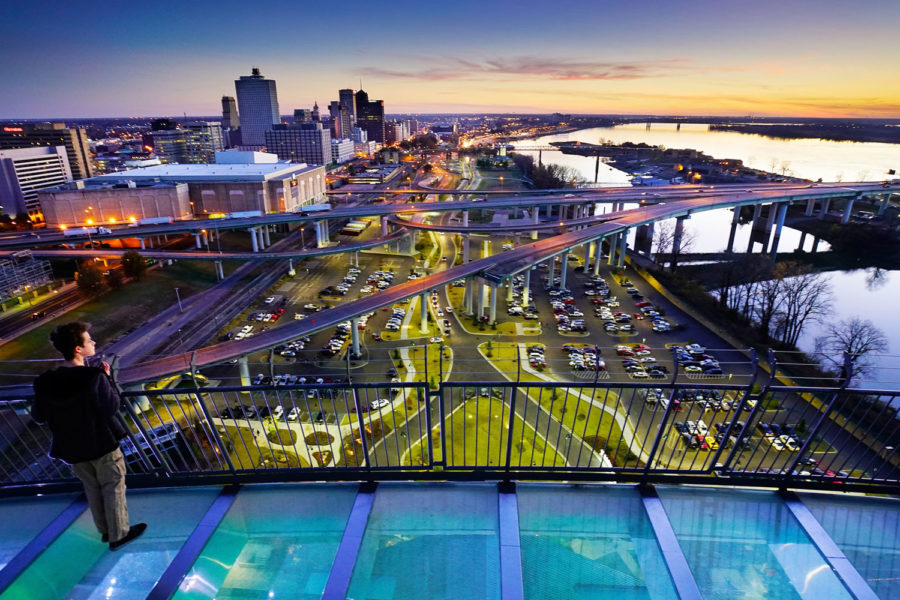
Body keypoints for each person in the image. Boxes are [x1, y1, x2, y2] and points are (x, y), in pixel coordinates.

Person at [32, 322, 146, 551]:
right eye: (88, 340)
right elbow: (111, 408)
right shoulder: (93, 376)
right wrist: (108, 378)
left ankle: (106, 531)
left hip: (72, 448)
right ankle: (119, 535)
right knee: (113, 487)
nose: (93, 342)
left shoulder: (47, 381)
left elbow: (39, 416)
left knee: (92, 489)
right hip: (101, 443)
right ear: (78, 349)